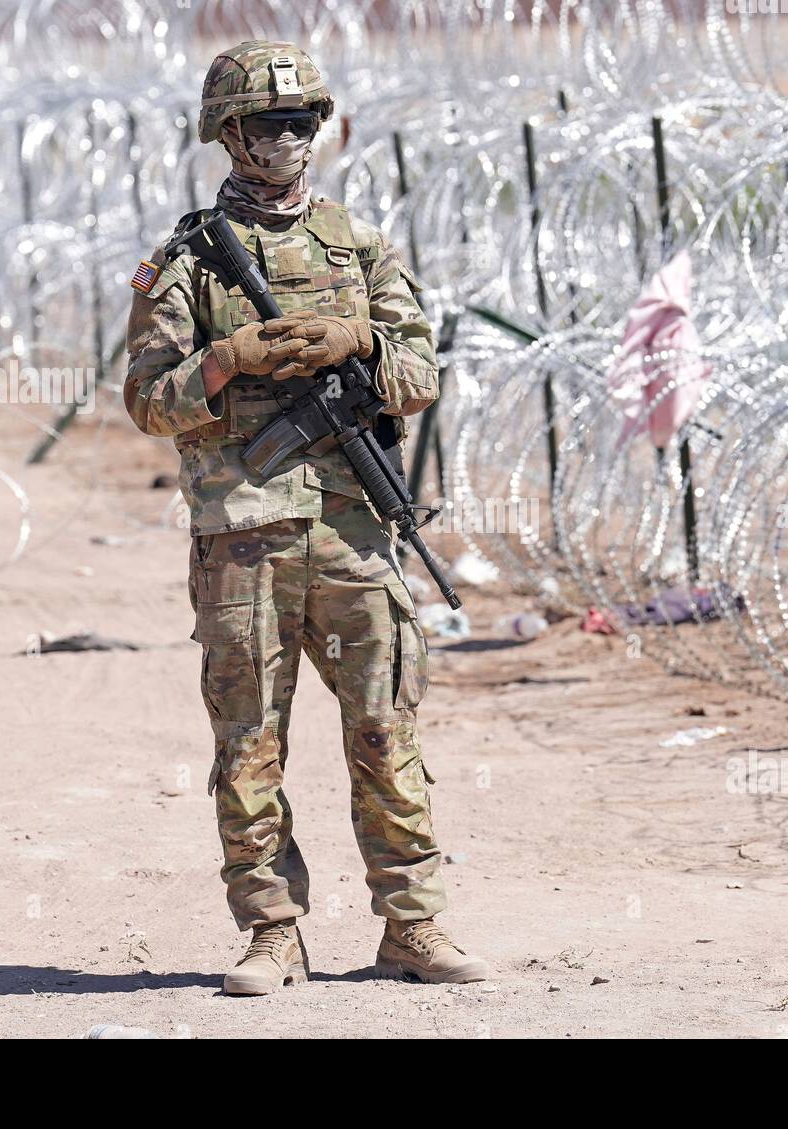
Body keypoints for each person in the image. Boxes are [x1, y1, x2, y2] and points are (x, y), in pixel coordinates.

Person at [123, 41, 488, 993]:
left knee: (386, 729)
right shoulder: (187, 264)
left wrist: (355, 338)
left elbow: (419, 377)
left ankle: (413, 926)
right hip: (242, 530)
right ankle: (272, 934)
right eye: (268, 124)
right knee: (249, 743)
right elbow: (147, 402)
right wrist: (228, 359)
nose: (288, 139)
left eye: (302, 122)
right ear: (229, 134)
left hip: (354, 529)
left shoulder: (358, 248)